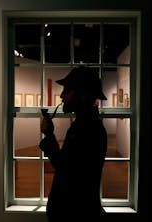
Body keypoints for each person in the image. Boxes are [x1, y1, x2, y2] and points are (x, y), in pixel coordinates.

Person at [39, 66, 108, 222]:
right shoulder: (85, 126)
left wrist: (49, 136)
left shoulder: (88, 130)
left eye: (67, 90)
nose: (62, 95)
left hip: (75, 214)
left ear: (83, 94)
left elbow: (66, 170)